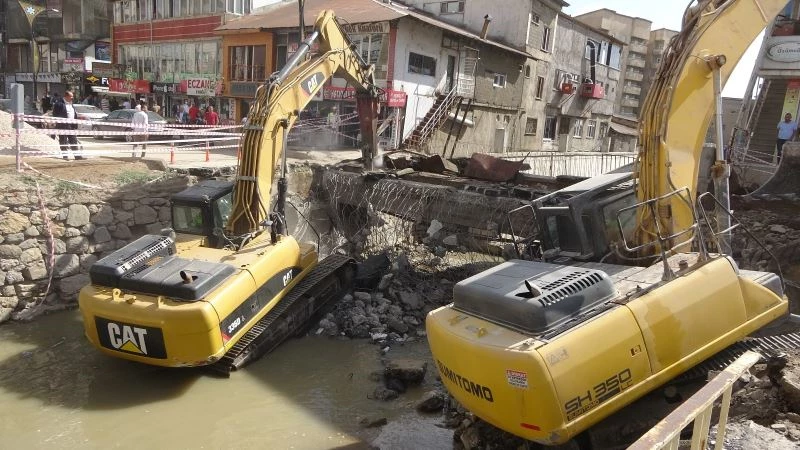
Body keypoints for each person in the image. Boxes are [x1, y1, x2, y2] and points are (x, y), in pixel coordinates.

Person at [51, 90, 84, 160]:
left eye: (72, 96)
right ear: (66, 96)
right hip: (63, 125)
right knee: (63, 141)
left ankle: (77, 156)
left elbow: (73, 113)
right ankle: (65, 156)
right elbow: (55, 114)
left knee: (73, 140)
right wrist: (59, 122)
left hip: (71, 125)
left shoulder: (71, 104)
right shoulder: (59, 104)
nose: (72, 98)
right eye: (71, 96)